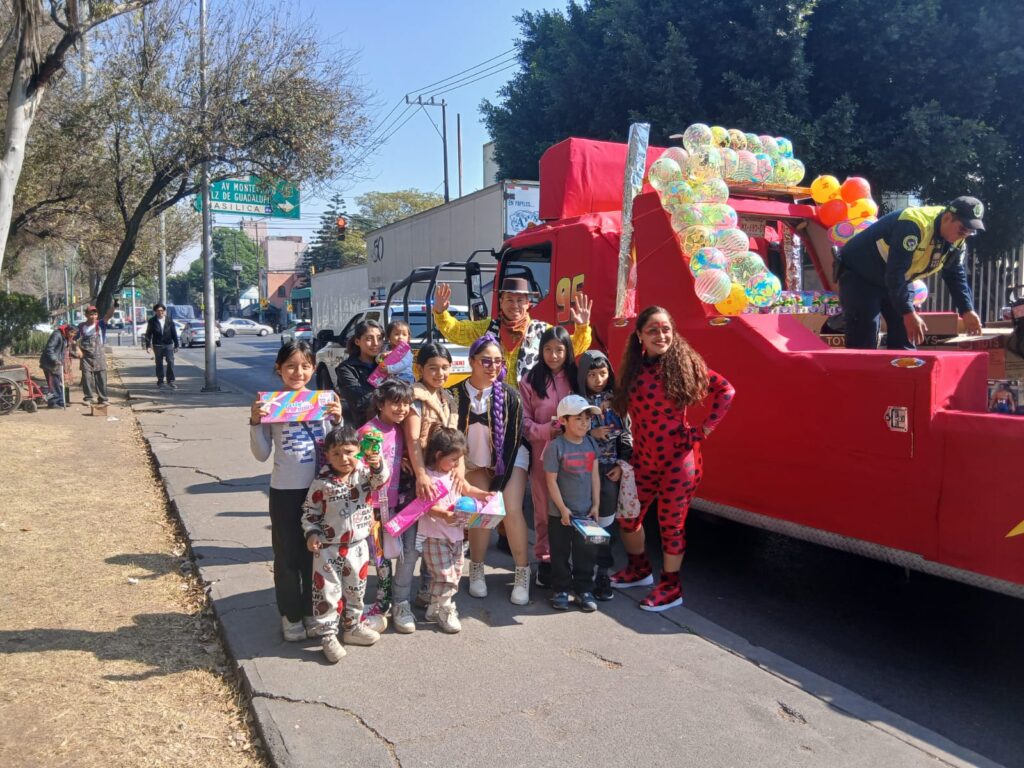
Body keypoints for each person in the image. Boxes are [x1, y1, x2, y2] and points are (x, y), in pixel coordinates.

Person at [610, 306, 735, 612]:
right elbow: (617, 409)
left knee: (671, 525)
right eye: (653, 330)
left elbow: (726, 390)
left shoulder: (683, 364)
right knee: (628, 518)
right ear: (639, 335)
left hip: (679, 460)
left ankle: (671, 586)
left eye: (666, 329)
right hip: (645, 459)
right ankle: (639, 570)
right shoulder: (633, 369)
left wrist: (703, 430)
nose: (661, 335)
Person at [250, 341, 342, 642]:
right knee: (287, 556)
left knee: (314, 555)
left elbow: (337, 449)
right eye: (290, 366)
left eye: (304, 366)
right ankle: (290, 616)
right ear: (279, 369)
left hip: (320, 491)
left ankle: (311, 612)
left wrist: (338, 420)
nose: (298, 372)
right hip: (285, 492)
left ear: (313, 368)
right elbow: (261, 453)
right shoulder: (271, 404)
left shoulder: (324, 402)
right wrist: (255, 421)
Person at [837, 196, 986, 349]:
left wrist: (967, 310)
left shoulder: (958, 240)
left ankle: (905, 371)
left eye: (970, 231)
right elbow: (895, 272)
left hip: (898, 279)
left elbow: (954, 275)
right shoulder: (913, 225)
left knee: (906, 336)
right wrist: (907, 312)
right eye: (962, 229)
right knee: (864, 335)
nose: (964, 235)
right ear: (947, 217)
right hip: (862, 274)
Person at [451, 334, 530, 604]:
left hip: (508, 463)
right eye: (486, 361)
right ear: (472, 361)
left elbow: (512, 442)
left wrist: (496, 483)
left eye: (498, 361)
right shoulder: (456, 393)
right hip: (473, 462)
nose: (492, 367)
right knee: (479, 511)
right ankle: (476, 570)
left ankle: (522, 573)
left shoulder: (511, 397)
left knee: (511, 509)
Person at [302, 426, 388, 663]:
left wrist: (377, 461)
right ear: (327, 455)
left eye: (349, 452)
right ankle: (328, 635)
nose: (344, 458)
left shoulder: (364, 474)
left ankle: (352, 627)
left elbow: (381, 479)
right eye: (337, 453)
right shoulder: (322, 482)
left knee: (356, 589)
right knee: (327, 592)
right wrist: (312, 534)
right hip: (328, 548)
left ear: (358, 451)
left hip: (358, 545)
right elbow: (310, 511)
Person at [432, 277, 593, 390]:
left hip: (531, 409)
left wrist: (582, 327)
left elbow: (571, 347)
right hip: (493, 404)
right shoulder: (487, 327)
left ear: (528, 304)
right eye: (509, 300)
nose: (515, 305)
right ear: (501, 302)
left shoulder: (541, 330)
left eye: (520, 300)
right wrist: (440, 312)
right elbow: (457, 331)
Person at [399, 343, 458, 620]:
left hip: (441, 480)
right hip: (416, 479)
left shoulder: (449, 399)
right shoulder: (416, 398)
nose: (439, 373)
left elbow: (455, 442)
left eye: (444, 368)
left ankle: (427, 592)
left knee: (435, 537)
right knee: (411, 545)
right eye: (432, 368)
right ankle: (400, 600)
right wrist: (421, 474)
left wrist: (459, 472)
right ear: (419, 369)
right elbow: (413, 440)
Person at [519, 326, 580, 589]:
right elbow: (524, 422)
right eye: (547, 349)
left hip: (576, 457)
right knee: (544, 510)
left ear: (567, 351)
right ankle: (545, 561)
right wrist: (547, 431)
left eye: (559, 349)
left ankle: (572, 562)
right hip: (543, 456)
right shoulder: (530, 380)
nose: (553, 355)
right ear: (540, 350)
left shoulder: (577, 377)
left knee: (575, 507)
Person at [417, 427, 494, 634]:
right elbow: (424, 507)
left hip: (456, 536)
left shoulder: (452, 476)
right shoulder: (429, 479)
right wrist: (444, 515)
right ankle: (446, 610)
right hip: (435, 537)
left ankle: (434, 607)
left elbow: (468, 489)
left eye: (458, 460)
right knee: (445, 576)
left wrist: (484, 495)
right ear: (438, 455)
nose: (455, 465)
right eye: (453, 460)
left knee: (457, 571)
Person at [578, 350, 632, 600]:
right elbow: (565, 432)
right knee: (583, 524)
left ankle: (602, 573)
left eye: (602, 373)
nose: (598, 379)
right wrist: (591, 433)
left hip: (608, 470)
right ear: (582, 376)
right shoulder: (576, 401)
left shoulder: (618, 401)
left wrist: (622, 464)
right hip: (581, 472)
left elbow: (627, 435)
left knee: (605, 526)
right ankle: (582, 574)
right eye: (592, 374)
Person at [360, 378, 413, 630]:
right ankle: (382, 602)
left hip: (393, 504)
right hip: (371, 506)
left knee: (390, 551)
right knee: (379, 556)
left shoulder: (399, 429)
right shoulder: (369, 432)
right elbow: (359, 467)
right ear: (380, 404)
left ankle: (387, 600)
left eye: (405, 404)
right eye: (395, 404)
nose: (401, 409)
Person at [543, 394, 602, 612]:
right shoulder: (556, 447)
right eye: (578, 418)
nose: (585, 423)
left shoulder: (590, 443)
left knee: (585, 553)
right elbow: (551, 482)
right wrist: (562, 509)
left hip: (586, 513)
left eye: (587, 418)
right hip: (560, 514)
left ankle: (583, 589)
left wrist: (596, 505)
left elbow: (595, 476)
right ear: (563, 421)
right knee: (559, 552)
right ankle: (560, 590)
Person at [335, 319, 383, 429]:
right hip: (365, 429)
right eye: (369, 339)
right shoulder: (346, 368)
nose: (376, 343)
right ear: (357, 341)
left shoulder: (387, 365)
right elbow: (361, 400)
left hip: (393, 426)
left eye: (379, 338)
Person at [75, 303, 115, 404]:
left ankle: (103, 399)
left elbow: (108, 315)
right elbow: (72, 339)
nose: (93, 317)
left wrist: (115, 305)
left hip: (99, 356)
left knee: (101, 377)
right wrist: (77, 349)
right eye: (91, 314)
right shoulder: (81, 326)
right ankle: (88, 398)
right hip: (86, 357)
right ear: (86, 315)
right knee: (87, 378)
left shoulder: (100, 324)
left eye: (95, 314)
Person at [143, 303, 180, 389]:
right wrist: (148, 346)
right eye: (158, 311)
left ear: (164, 311)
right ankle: (160, 381)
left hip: (168, 344)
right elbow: (148, 334)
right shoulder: (152, 321)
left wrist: (176, 345)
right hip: (157, 345)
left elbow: (174, 333)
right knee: (159, 363)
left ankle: (170, 381)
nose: (160, 312)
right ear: (155, 312)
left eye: (162, 311)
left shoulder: (169, 320)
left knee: (170, 362)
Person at [39, 324, 76, 408]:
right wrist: (55, 359)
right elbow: (49, 349)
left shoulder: (65, 337)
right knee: (53, 384)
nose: (73, 335)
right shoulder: (57, 335)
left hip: (57, 364)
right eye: (72, 332)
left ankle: (60, 401)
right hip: (50, 364)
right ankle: (52, 403)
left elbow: (63, 350)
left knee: (59, 383)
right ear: (67, 330)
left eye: (74, 333)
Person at [380, 320, 415, 384]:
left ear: (408, 338)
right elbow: (379, 361)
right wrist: (381, 356)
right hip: (390, 376)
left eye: (404, 334)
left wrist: (389, 369)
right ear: (389, 337)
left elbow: (403, 364)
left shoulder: (406, 351)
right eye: (396, 334)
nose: (400, 337)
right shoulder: (386, 349)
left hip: (405, 376)